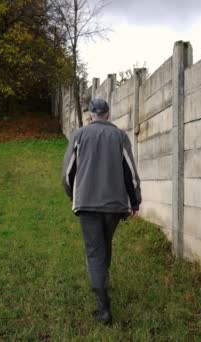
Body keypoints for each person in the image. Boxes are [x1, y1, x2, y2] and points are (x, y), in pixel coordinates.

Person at [61, 98, 141, 325]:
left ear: (90, 115)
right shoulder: (120, 136)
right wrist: (135, 202)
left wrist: (72, 195)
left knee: (95, 252)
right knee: (105, 246)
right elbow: (131, 175)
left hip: (87, 205)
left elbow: (67, 174)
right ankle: (102, 283)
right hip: (115, 207)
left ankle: (104, 308)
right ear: (108, 114)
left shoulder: (79, 136)